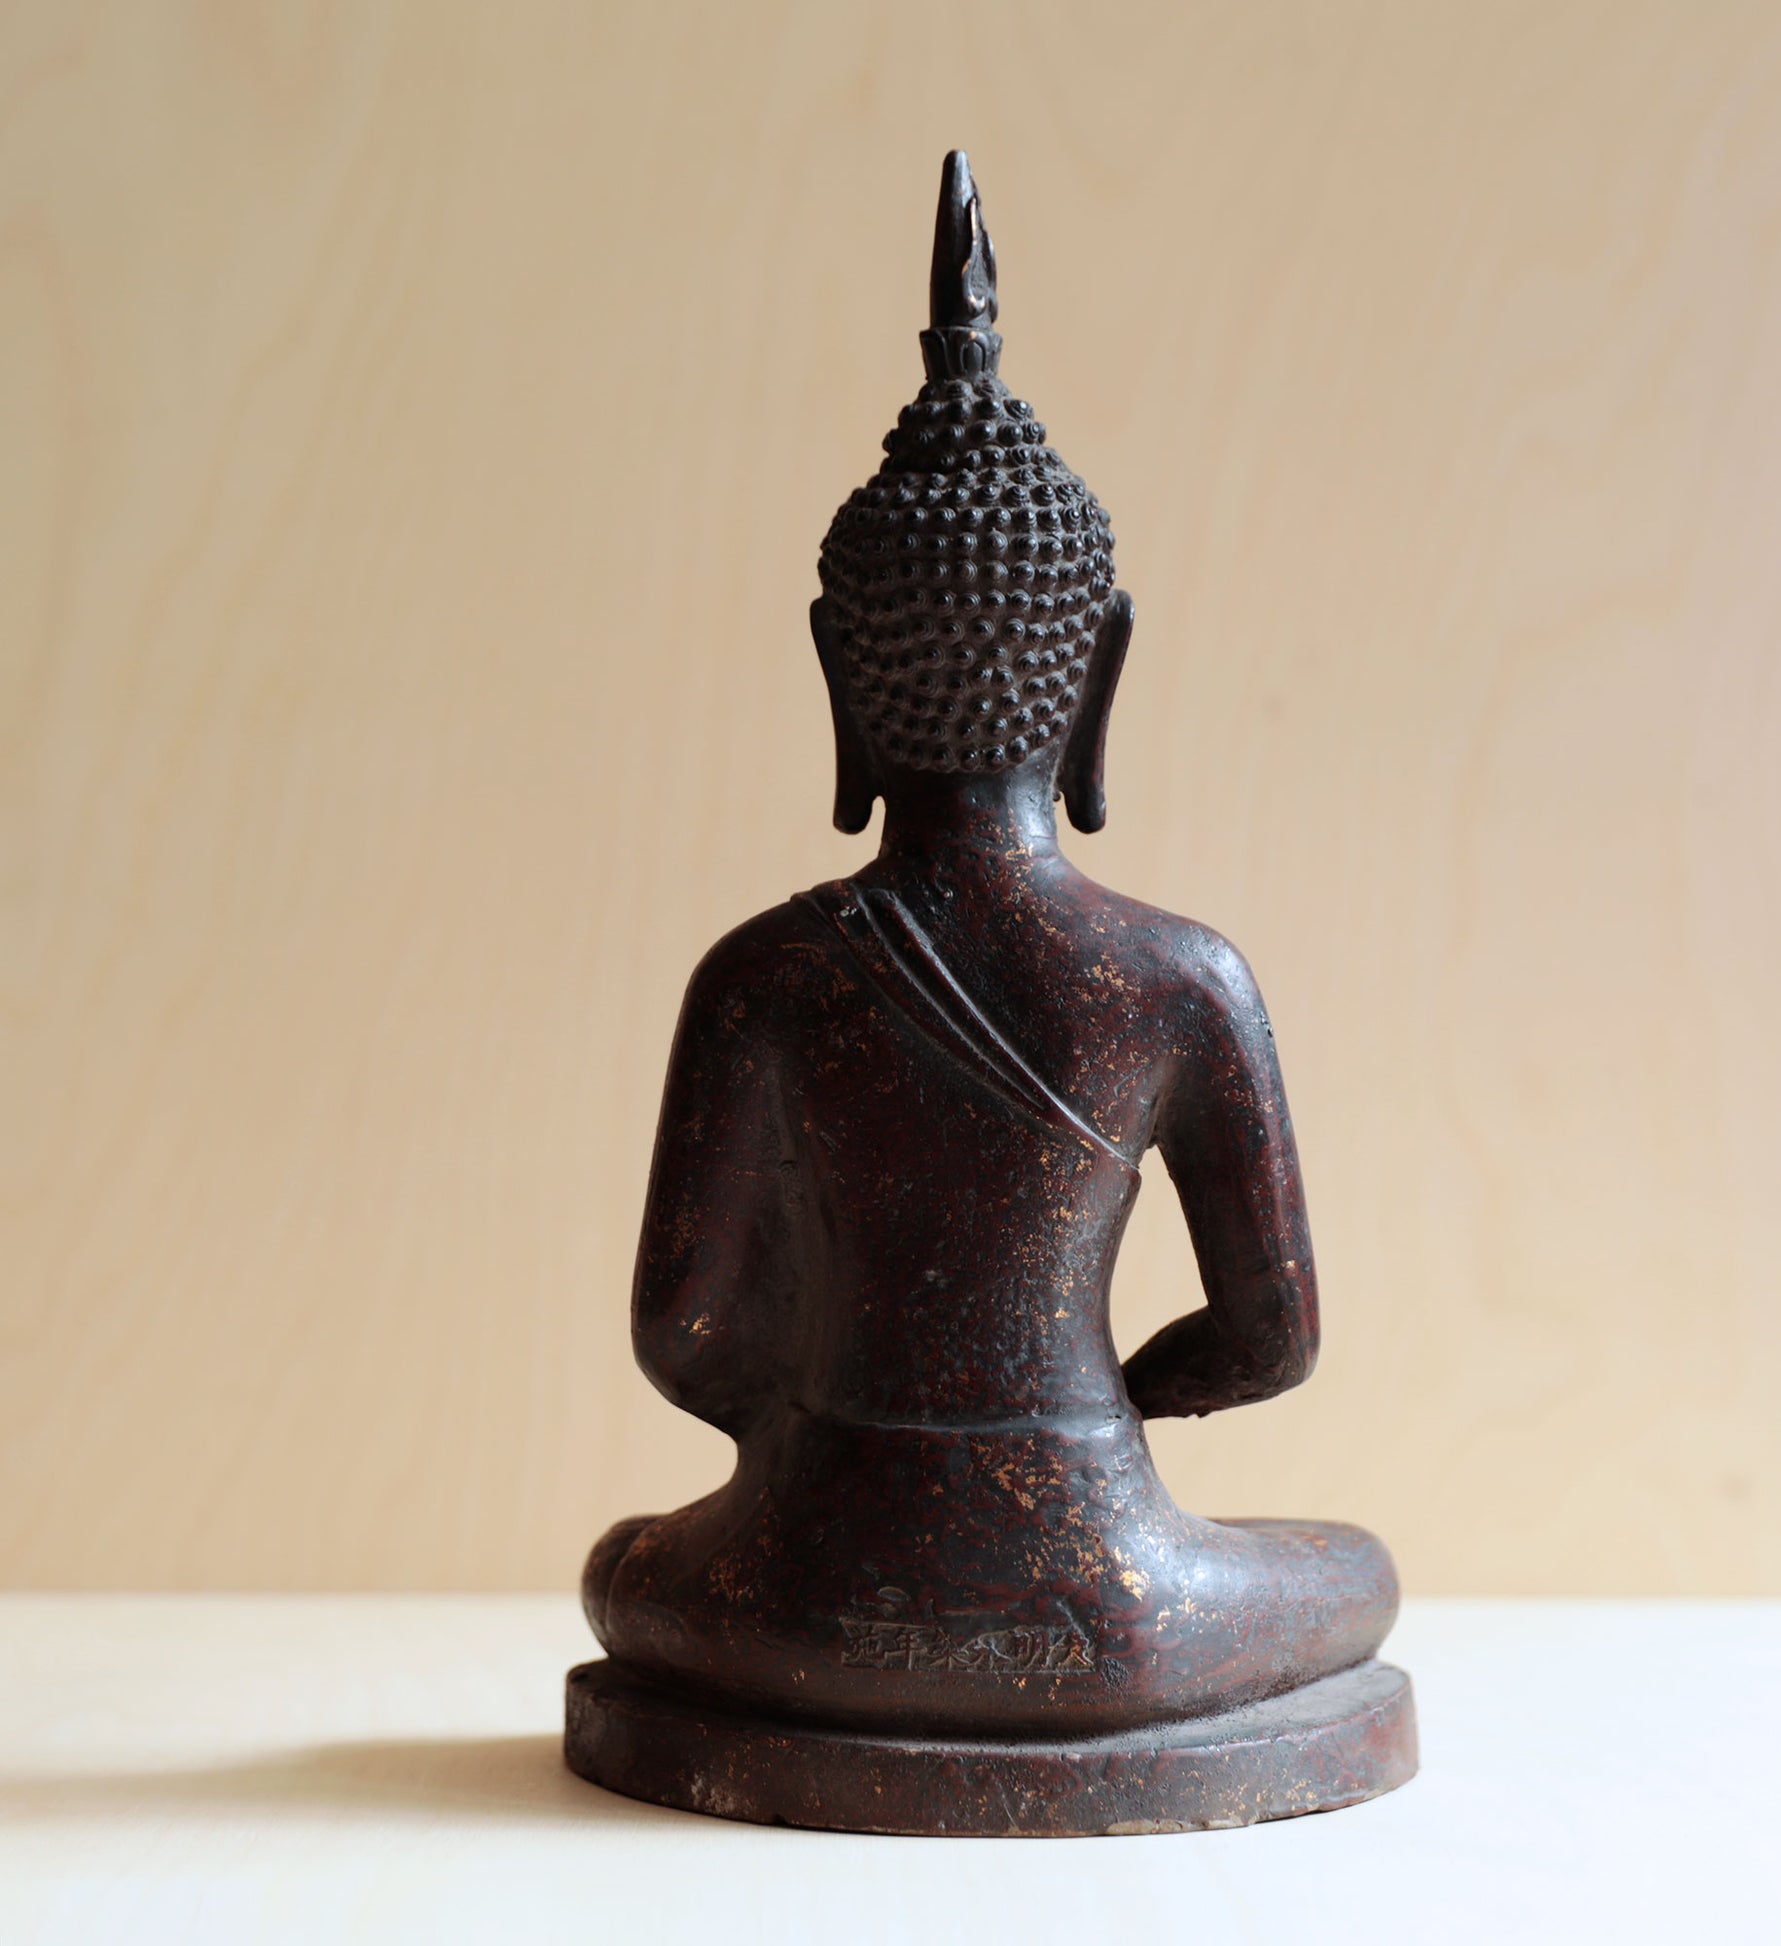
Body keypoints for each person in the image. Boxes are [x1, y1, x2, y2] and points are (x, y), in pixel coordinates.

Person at [582, 155, 1398, 1740]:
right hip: (1108, 1606)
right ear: (1099, 673)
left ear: (841, 675)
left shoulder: (761, 977)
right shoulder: (1182, 981)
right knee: (1352, 1569)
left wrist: (831, 1439)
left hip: (803, 1593)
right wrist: (1086, 1424)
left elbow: (684, 1336)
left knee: (624, 1570)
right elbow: (1270, 1336)